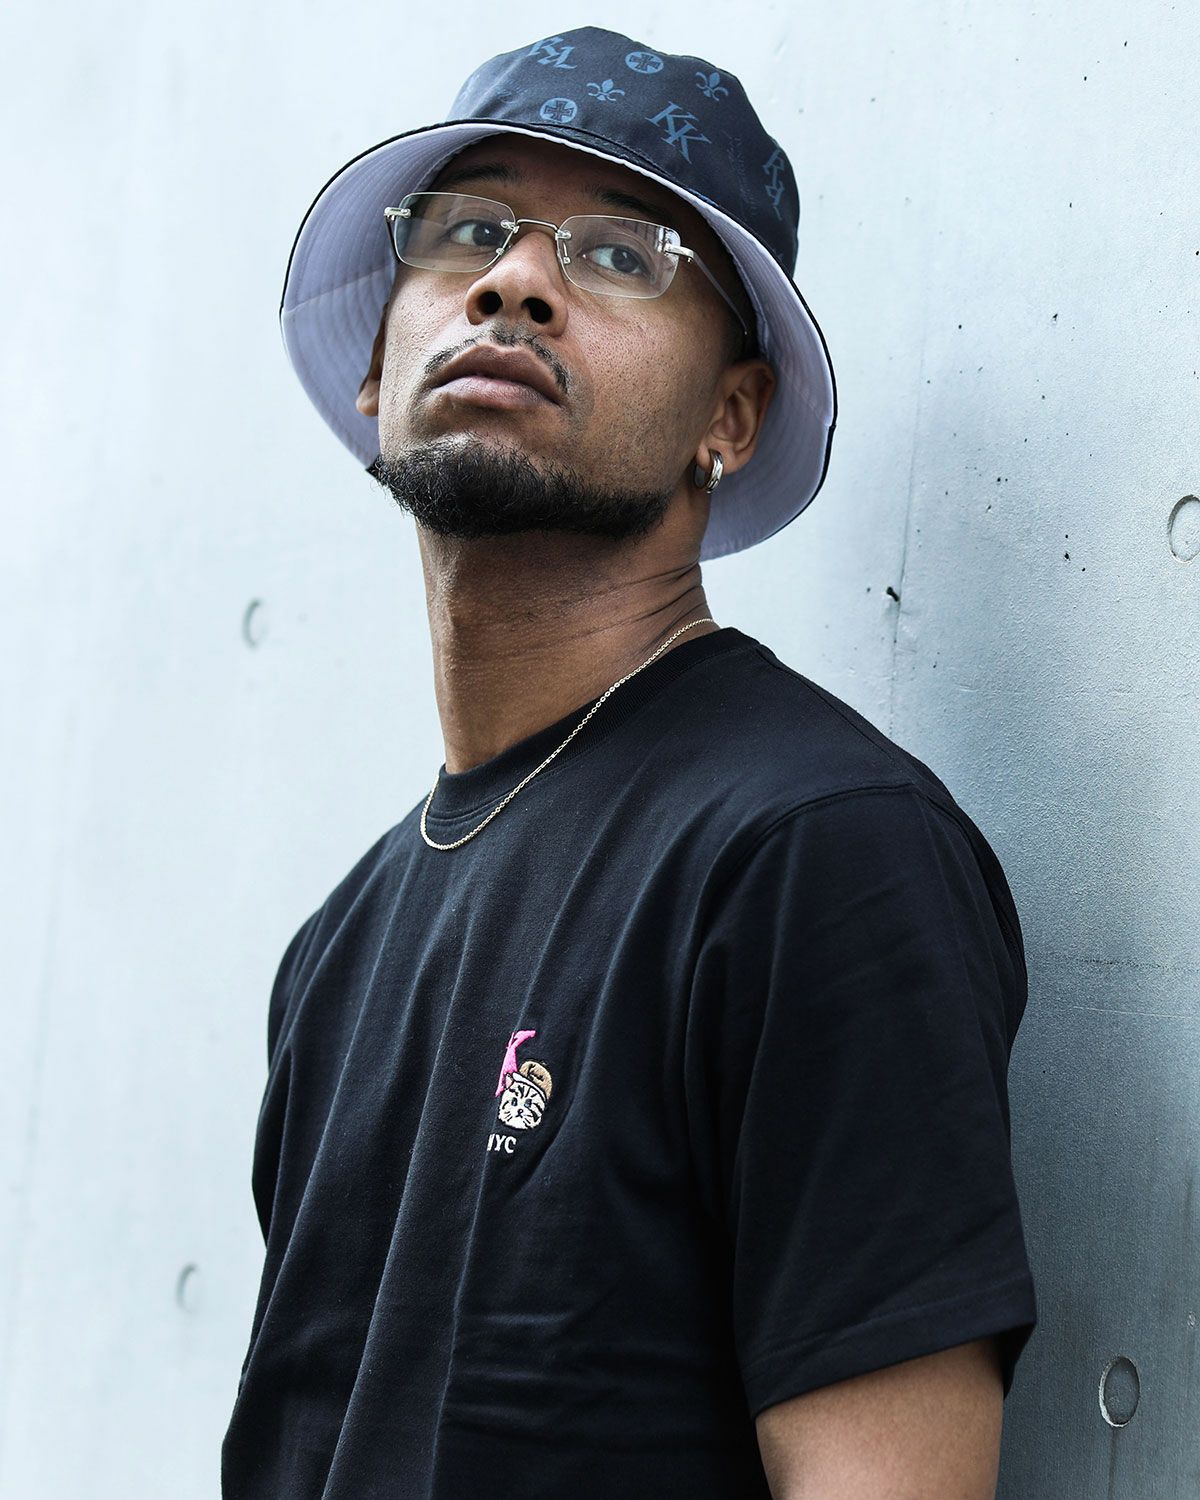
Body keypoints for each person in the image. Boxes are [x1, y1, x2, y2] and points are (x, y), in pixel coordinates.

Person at [222, 26, 1037, 1499]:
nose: (514, 281)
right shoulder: (336, 945)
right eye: (467, 232)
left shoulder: (815, 853)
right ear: (375, 367)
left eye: (619, 256)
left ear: (731, 417)